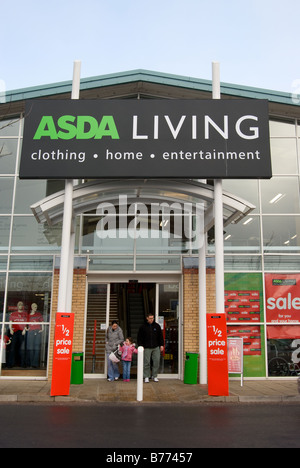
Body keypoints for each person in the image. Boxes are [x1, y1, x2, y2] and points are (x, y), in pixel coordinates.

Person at [137, 313, 164, 383]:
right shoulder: (143, 327)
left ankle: (154, 376)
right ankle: (146, 376)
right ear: (147, 318)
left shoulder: (157, 326)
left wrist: (161, 345)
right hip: (146, 347)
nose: (152, 320)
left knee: (156, 361)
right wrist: (140, 345)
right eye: (150, 318)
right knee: (146, 362)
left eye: (152, 318)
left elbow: (160, 336)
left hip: (156, 346)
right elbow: (139, 337)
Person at [26, 303, 44, 368]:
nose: (35, 308)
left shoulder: (39, 314)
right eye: (34, 307)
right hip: (31, 331)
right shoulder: (28, 316)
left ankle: (35, 364)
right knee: (30, 347)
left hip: (37, 331)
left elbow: (42, 322)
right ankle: (30, 363)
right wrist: (26, 328)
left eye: (36, 307)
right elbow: (26, 323)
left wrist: (42, 328)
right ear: (31, 307)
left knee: (37, 348)